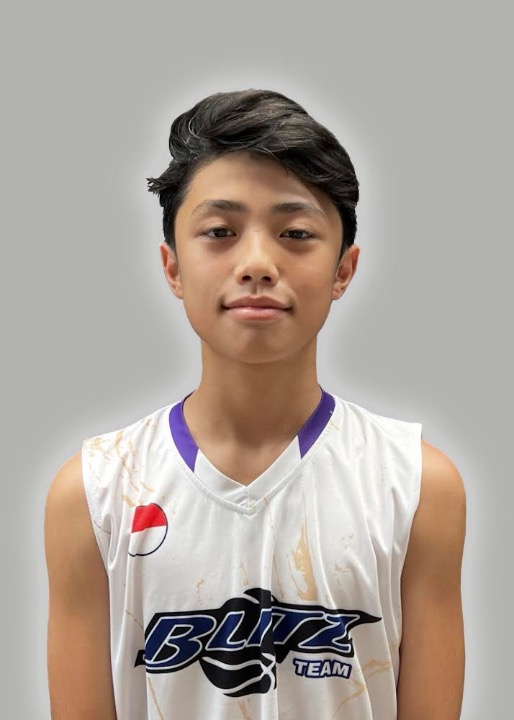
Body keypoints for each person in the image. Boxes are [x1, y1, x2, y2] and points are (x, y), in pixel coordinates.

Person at [44, 88, 466, 719]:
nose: (258, 263)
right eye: (220, 232)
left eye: (296, 233)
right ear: (173, 267)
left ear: (343, 269)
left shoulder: (416, 486)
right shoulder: (95, 493)